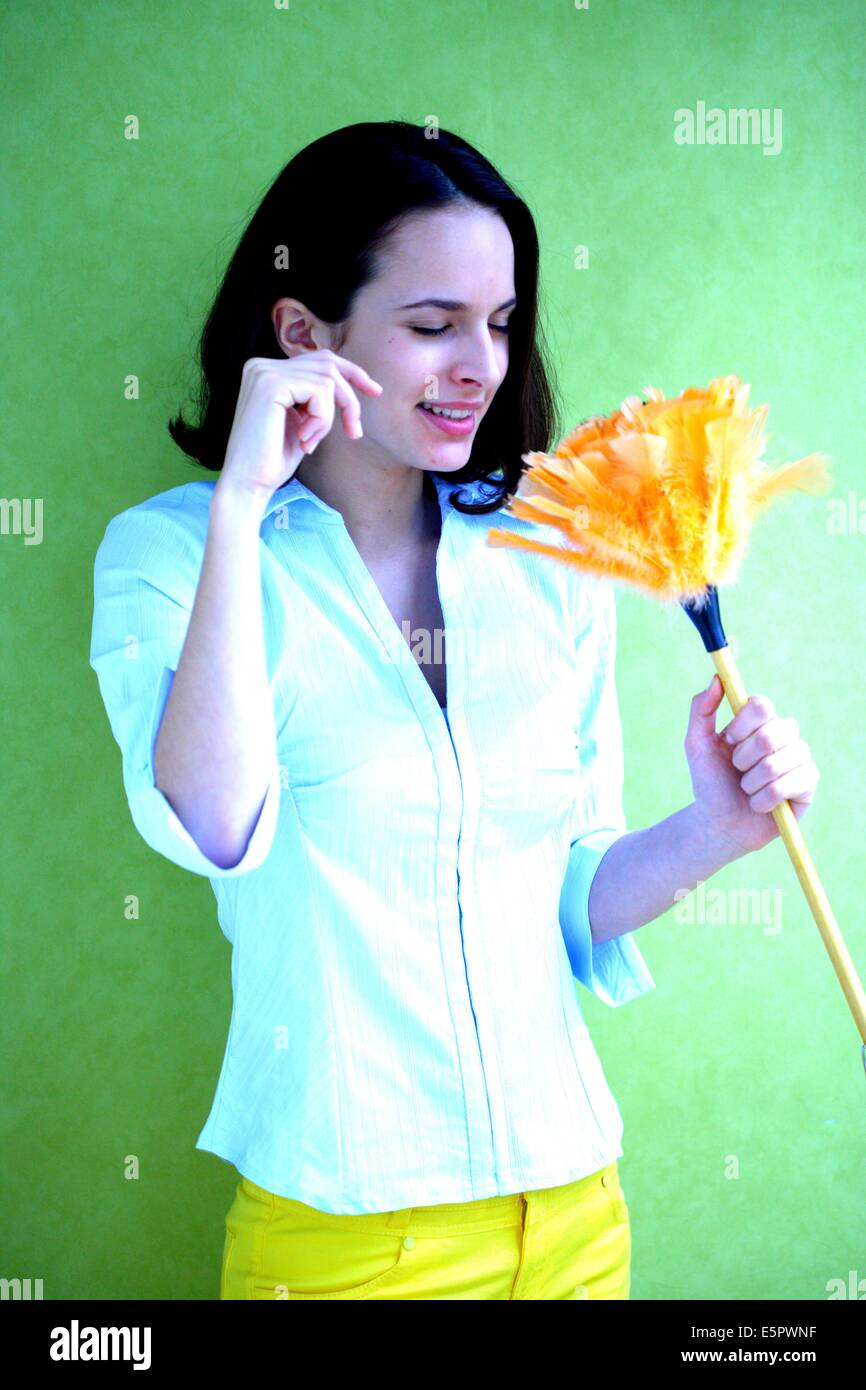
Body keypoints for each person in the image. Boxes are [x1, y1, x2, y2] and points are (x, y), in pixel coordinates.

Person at [89, 122, 819, 1301]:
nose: (479, 362)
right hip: (346, 1241)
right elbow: (210, 826)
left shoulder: (549, 552)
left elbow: (568, 894)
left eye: (498, 320)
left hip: (576, 1212)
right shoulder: (169, 555)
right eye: (432, 325)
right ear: (302, 335)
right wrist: (240, 500)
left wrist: (712, 830)